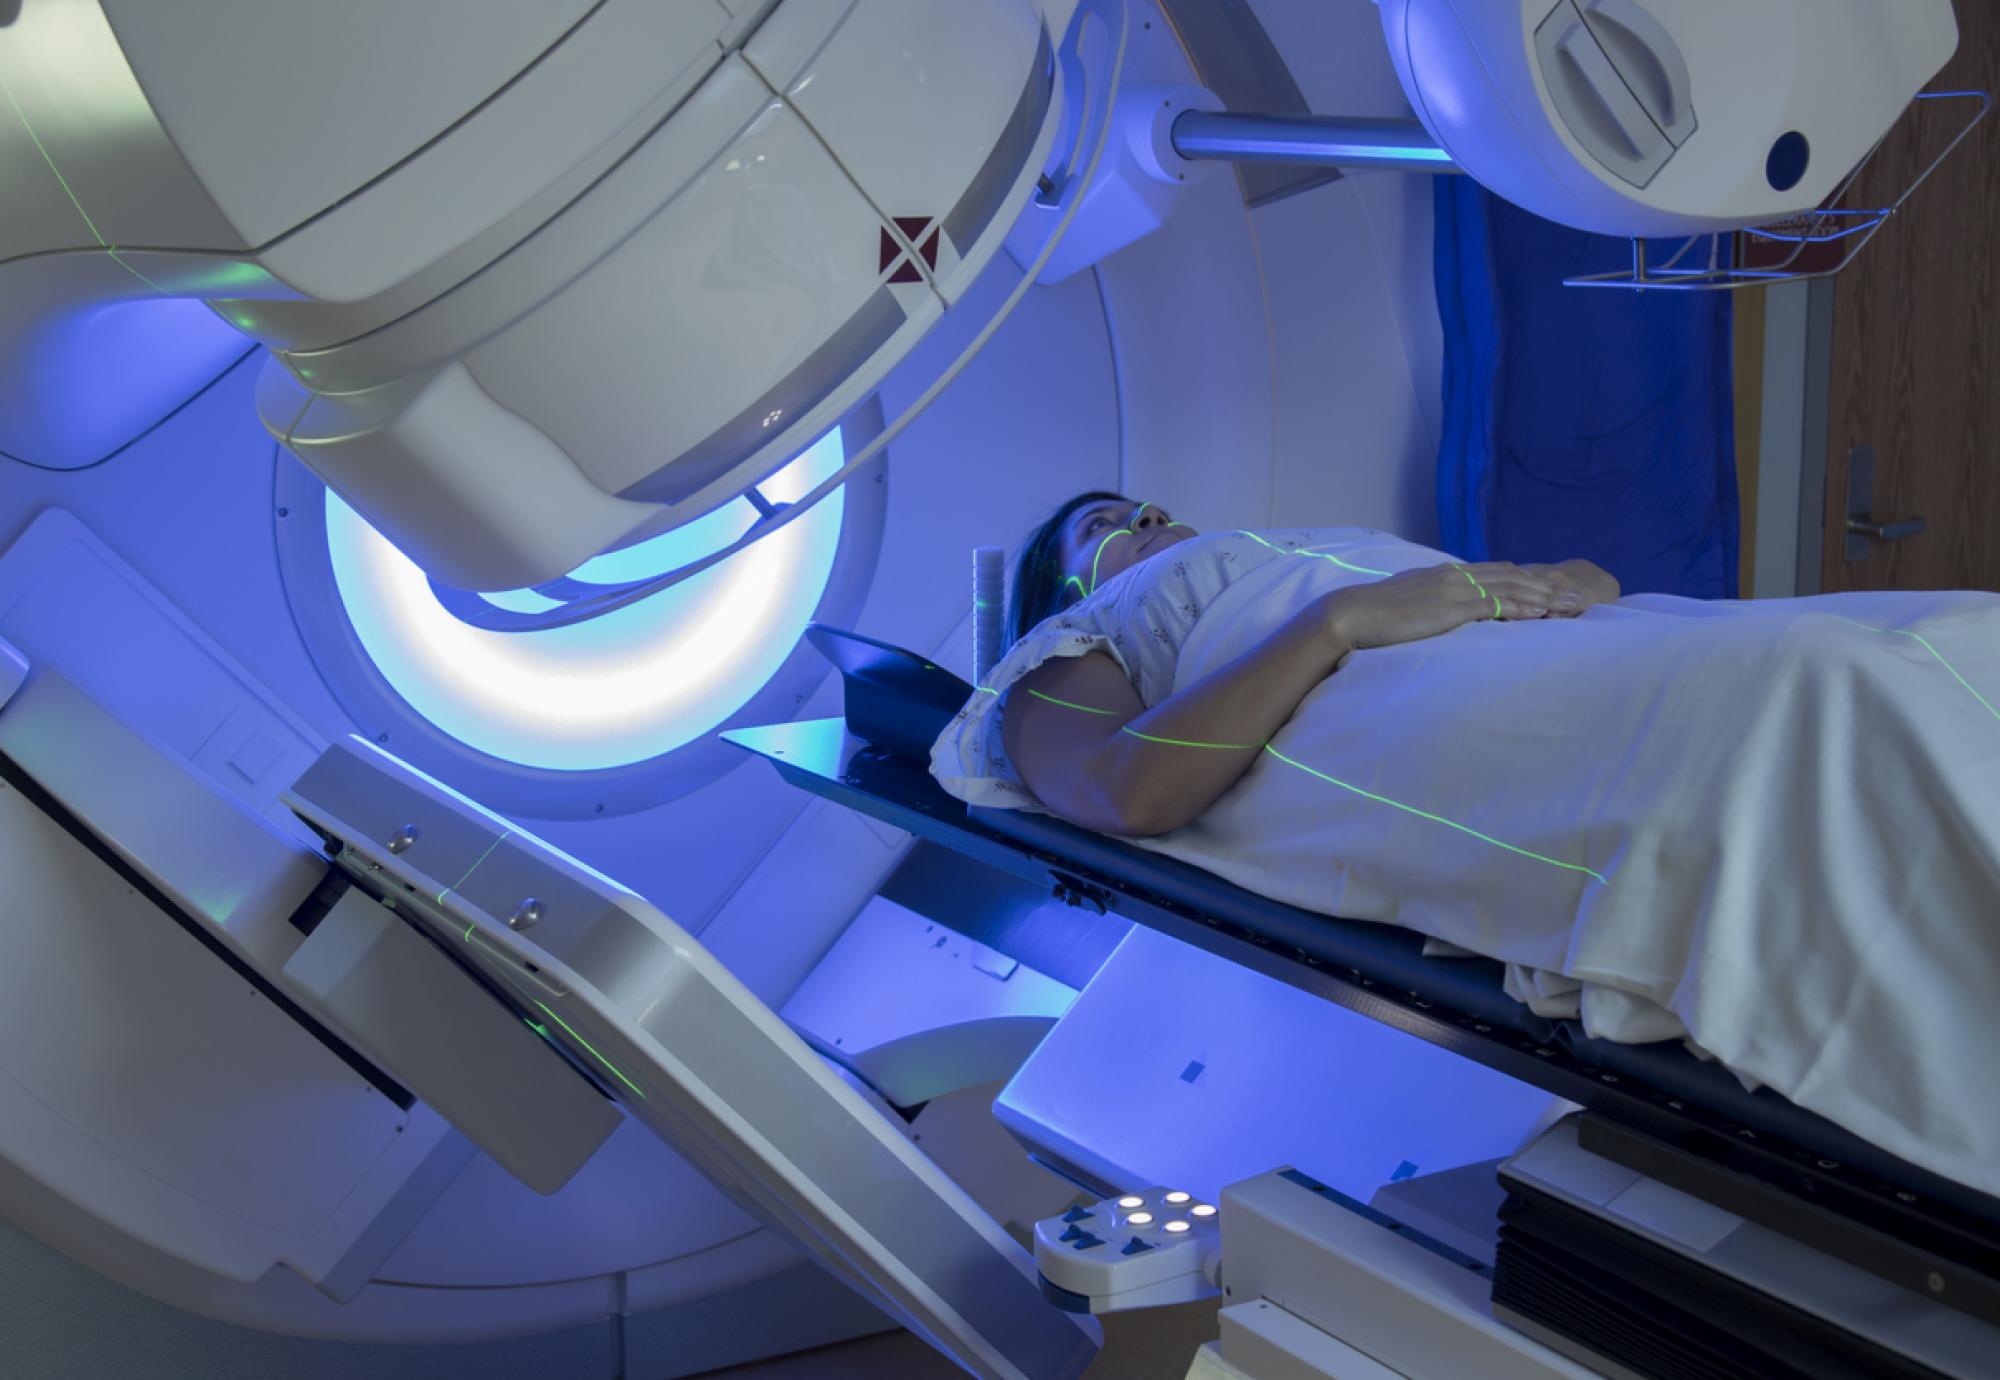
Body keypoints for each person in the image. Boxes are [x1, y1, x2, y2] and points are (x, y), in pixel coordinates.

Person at [988, 492, 1619, 836]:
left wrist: (1570, 583)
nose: (1150, 513)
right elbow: (1124, 790)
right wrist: (1340, 620)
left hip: (1589, 638)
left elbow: (1577, 581)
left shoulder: (1304, 550)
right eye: (1101, 526)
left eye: (1144, 510)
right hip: (1485, 694)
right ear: (1060, 599)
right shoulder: (1063, 644)